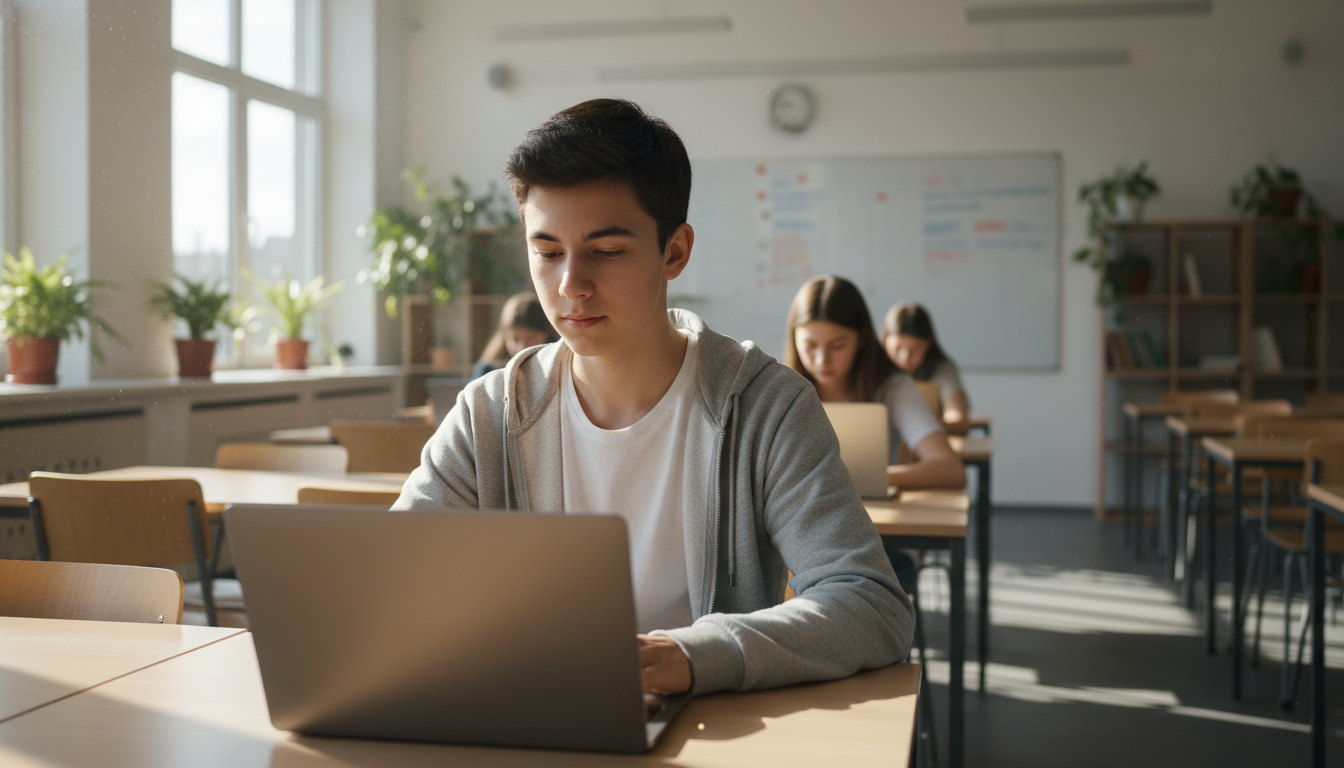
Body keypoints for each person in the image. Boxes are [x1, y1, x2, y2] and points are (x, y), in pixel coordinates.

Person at [394, 99, 913, 699]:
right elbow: (396, 584)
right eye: (548, 251)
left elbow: (871, 604)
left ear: (675, 251)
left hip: (701, 730)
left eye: (606, 251)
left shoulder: (767, 406)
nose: (570, 287)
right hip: (528, 719)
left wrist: (692, 655)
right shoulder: (491, 411)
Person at [785, 277, 966, 492]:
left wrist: (866, 479)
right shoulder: (781, 389)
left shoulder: (891, 387)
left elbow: (950, 469)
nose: (822, 360)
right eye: (810, 345)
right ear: (794, 339)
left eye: (837, 345)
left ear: (862, 338)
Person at [883, 302, 970, 430]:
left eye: (915, 349)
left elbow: (958, 419)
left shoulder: (941, 369)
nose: (905, 358)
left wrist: (918, 426)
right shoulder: (873, 368)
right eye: (897, 349)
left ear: (928, 343)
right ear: (884, 342)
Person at [470, 291, 558, 380]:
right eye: (515, 339)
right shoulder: (488, 372)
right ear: (504, 337)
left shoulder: (558, 369)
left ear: (547, 335)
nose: (522, 348)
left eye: (531, 338)